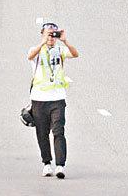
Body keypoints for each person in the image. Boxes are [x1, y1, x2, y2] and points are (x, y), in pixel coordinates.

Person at [27, 22, 78, 179]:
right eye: (48, 34)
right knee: (42, 133)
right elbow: (30, 56)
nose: (51, 37)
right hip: (39, 99)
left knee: (58, 131)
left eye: (53, 34)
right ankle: (47, 163)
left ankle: (60, 165)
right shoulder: (35, 51)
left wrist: (65, 40)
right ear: (42, 34)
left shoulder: (60, 50)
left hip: (57, 97)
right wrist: (42, 42)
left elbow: (75, 54)